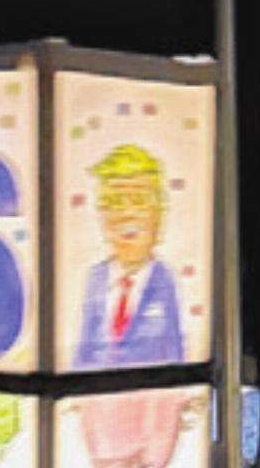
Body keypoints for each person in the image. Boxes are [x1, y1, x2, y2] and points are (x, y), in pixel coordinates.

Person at [71, 143, 186, 369]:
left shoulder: (165, 280)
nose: (127, 213)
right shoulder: (95, 278)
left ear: (158, 214)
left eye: (139, 201)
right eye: (114, 202)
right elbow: (82, 355)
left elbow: (176, 358)